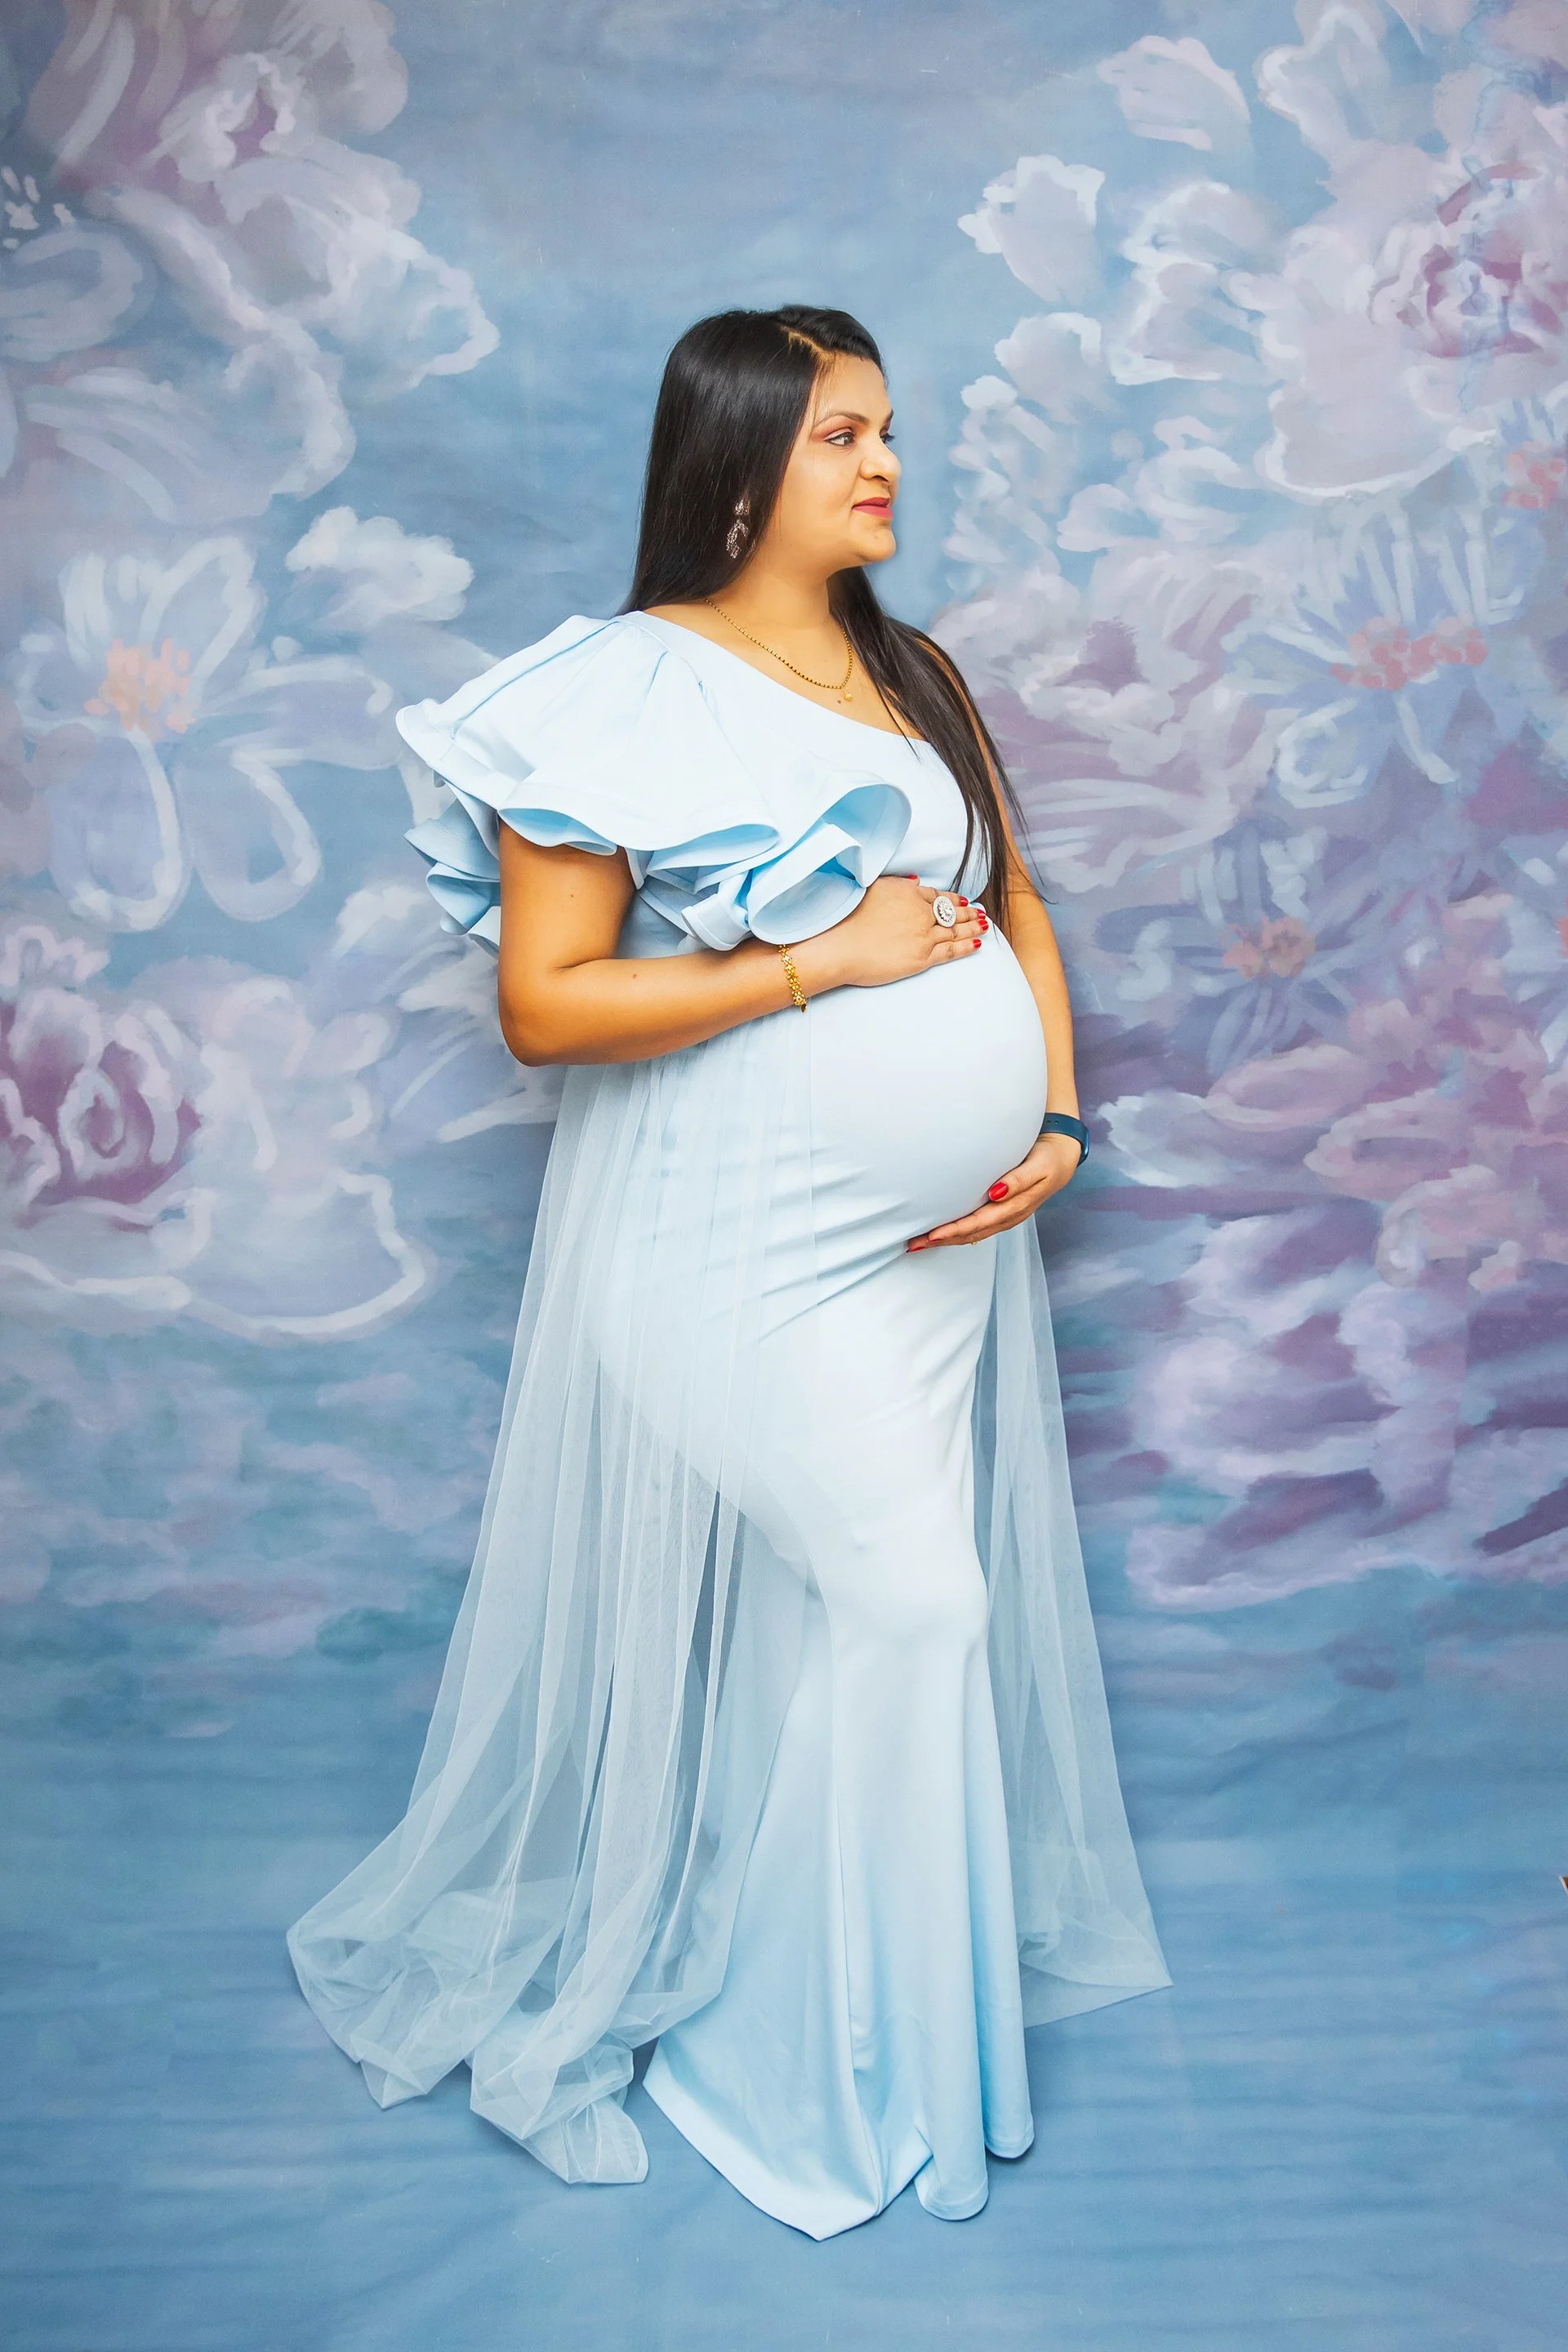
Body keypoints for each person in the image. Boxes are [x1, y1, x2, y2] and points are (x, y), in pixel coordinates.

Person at [287, 305, 1170, 2240]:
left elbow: (1015, 903)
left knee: (856, 1627)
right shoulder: (617, 688)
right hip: (731, 1251)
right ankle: (789, 2068)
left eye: (889, 428)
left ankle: (876, 2039)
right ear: (744, 463)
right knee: (917, 1602)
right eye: (845, 434)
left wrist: (1056, 1118)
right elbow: (546, 1005)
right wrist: (819, 964)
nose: (888, 464)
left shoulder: (912, 671)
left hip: (929, 1256)